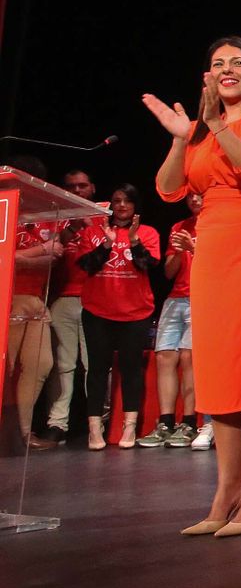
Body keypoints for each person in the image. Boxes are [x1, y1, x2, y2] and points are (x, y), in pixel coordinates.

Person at [144, 35, 241, 536]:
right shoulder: (197, 131)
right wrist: (180, 137)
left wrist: (214, 125)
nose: (227, 69)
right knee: (219, 366)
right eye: (217, 63)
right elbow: (170, 189)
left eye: (238, 63)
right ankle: (227, 487)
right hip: (214, 250)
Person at [77, 184, 161, 450]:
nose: (122, 205)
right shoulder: (93, 232)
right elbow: (87, 267)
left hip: (135, 312)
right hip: (98, 310)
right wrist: (107, 243)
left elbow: (148, 265)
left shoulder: (147, 232)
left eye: (128, 201)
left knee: (131, 369)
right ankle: (94, 429)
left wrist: (134, 241)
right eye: (117, 200)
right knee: (98, 369)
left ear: (136, 206)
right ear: (110, 205)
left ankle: (129, 427)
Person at [136, 192, 203, 447]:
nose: (195, 200)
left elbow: (218, 264)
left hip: (201, 296)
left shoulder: (215, 224)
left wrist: (193, 248)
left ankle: (189, 422)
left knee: (189, 357)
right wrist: (177, 251)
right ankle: (165, 422)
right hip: (175, 298)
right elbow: (168, 272)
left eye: (200, 196)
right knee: (164, 356)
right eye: (191, 196)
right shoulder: (179, 226)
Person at [4, 155, 59, 452]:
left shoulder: (43, 217)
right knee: (6, 368)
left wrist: (37, 254)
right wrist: (39, 251)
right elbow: (4, 257)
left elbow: (54, 256)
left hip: (36, 300)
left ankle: (23, 433)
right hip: (8, 299)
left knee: (40, 365)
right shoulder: (4, 209)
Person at [42, 168, 98, 443]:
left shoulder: (104, 218)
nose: (76, 191)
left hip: (95, 300)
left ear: (92, 189)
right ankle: (58, 424)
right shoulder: (54, 220)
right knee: (62, 365)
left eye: (82, 186)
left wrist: (89, 226)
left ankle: (98, 421)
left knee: (94, 365)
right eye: (71, 187)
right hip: (63, 299)